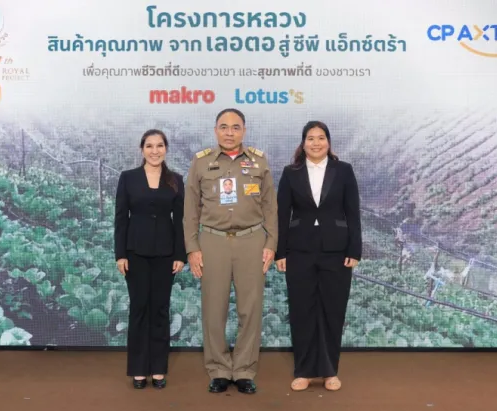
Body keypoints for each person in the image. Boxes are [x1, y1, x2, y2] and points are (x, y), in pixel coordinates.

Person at [183, 108, 278, 394]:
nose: (229, 132)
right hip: (212, 242)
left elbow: (271, 207)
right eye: (223, 127)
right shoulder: (200, 163)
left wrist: (271, 244)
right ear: (215, 131)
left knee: (250, 309)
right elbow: (190, 211)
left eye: (235, 127)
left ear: (244, 131)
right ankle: (219, 369)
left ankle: (245, 369)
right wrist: (192, 248)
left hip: (252, 242)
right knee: (214, 309)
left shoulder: (259, 162)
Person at [275, 121, 362, 392]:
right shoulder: (291, 173)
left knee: (332, 311)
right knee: (302, 311)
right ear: (303, 143)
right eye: (310, 138)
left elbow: (353, 212)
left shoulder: (343, 170)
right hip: (299, 251)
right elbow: (281, 214)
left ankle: (329, 371)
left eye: (321, 138)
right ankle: (303, 370)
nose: (316, 143)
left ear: (328, 142)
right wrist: (280, 252)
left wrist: (354, 249)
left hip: (336, 251)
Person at [114, 129, 186, 390]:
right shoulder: (128, 178)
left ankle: (158, 369)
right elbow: (121, 218)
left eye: (159, 146)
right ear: (141, 149)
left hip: (166, 255)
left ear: (166, 149)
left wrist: (180, 254)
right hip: (135, 254)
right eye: (149, 146)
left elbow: (180, 221)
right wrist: (120, 254)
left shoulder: (175, 180)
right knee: (139, 309)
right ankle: (138, 370)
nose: (155, 151)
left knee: (160, 310)